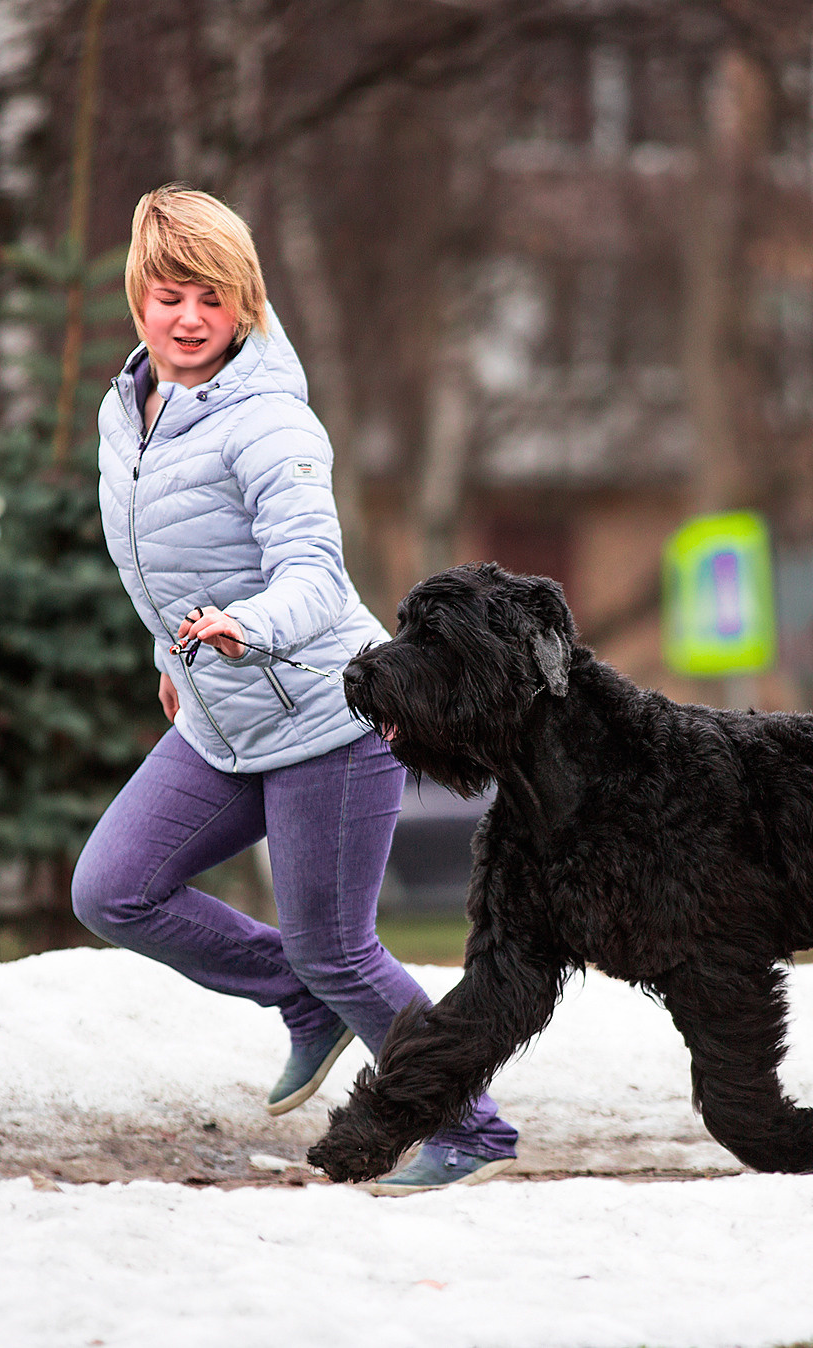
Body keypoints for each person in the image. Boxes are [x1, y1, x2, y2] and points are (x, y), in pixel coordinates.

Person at [71, 185, 519, 1194]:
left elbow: (312, 575)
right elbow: (160, 560)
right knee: (112, 889)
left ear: (245, 307)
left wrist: (245, 626)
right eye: (169, 294)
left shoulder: (269, 422)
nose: (188, 318)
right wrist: (170, 656)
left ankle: (471, 1129)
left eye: (212, 300)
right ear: (138, 297)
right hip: (225, 717)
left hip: (325, 717)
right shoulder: (127, 411)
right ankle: (302, 996)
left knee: (339, 946)